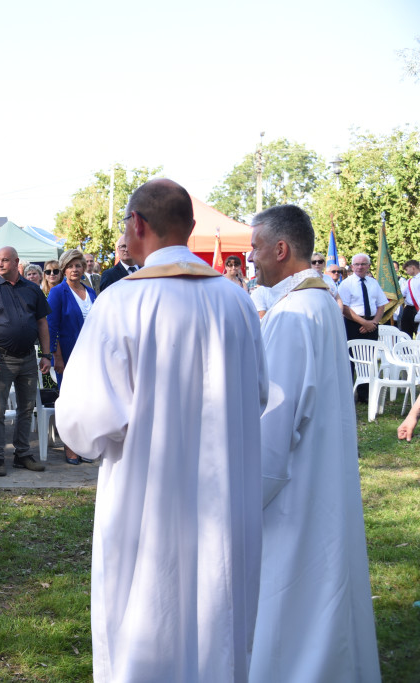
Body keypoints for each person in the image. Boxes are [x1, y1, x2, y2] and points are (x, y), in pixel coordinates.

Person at [56, 179, 268, 682]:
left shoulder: (120, 304)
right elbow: (258, 393)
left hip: (144, 495)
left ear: (137, 225)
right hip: (224, 496)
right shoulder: (236, 302)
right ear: (191, 230)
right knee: (219, 619)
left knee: (145, 613)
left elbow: (83, 422)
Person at [247, 204, 381, 682]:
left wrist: (246, 497)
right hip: (322, 476)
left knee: (290, 600)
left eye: (256, 247)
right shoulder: (323, 303)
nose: (251, 258)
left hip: (292, 489)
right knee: (325, 589)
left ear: (281, 249)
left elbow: (274, 422)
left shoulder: (291, 315)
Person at [0, 246, 51, 476]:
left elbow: (42, 324)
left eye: (5, 260)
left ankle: (22, 454)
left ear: (16, 262)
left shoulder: (33, 289)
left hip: (28, 357)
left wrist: (46, 355)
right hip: (0, 358)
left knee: (26, 409)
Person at [46, 249, 96, 465]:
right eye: (70, 266)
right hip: (67, 357)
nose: (74, 269)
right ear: (64, 269)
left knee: (88, 403)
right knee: (70, 403)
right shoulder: (58, 292)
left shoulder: (92, 292)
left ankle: (84, 445)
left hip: (91, 358)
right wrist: (56, 356)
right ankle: (70, 445)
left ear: (84, 268)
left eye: (78, 265)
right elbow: (51, 326)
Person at [339, 253, 388, 403]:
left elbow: (381, 304)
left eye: (363, 264)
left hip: (372, 324)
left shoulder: (373, 283)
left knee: (369, 359)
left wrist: (373, 323)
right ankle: (348, 395)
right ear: (352, 266)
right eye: (357, 264)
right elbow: (345, 308)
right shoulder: (346, 284)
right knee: (351, 360)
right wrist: (363, 323)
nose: (360, 267)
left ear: (368, 266)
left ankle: (364, 394)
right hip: (353, 324)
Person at [398, 259, 419, 338]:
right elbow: (402, 294)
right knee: (405, 332)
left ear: (413, 267)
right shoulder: (409, 281)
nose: (406, 272)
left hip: (418, 308)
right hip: (409, 309)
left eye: (407, 269)